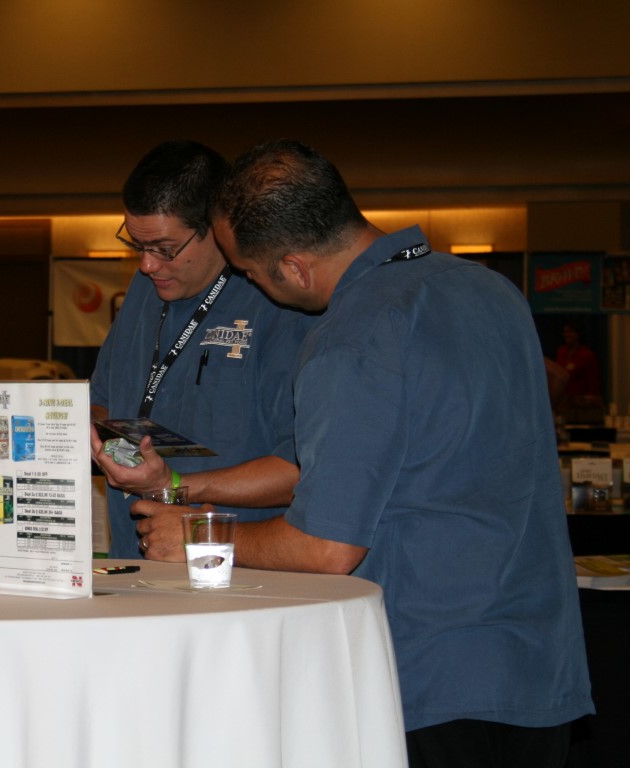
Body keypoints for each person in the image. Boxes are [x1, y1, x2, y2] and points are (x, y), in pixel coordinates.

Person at [152, 138, 590, 767]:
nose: (251, 283)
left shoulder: (353, 335)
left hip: (429, 671)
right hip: (537, 661)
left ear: (295, 267)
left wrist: (199, 538)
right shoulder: (490, 291)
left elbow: (328, 548)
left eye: (249, 272)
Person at [89, 140, 312, 558]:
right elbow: (103, 404)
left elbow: (303, 471)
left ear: (219, 227)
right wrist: (90, 436)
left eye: (165, 249)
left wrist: (173, 485)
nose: (147, 265)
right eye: (137, 245)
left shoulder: (276, 302)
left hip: (233, 570)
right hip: (133, 561)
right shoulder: (144, 289)